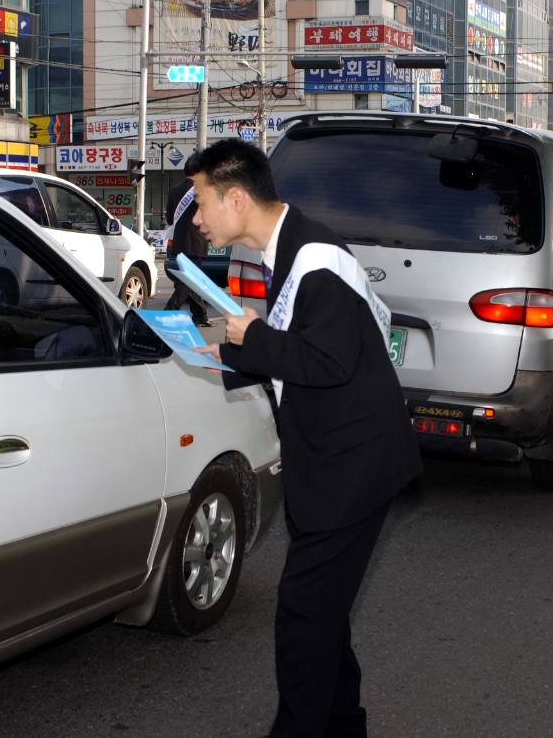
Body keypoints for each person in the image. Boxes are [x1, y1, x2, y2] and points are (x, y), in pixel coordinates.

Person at [188, 139, 422, 738]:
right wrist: (224, 356)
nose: (196, 218)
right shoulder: (289, 250)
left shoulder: (314, 260)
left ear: (236, 199)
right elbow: (304, 352)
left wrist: (253, 336)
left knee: (302, 621)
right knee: (322, 618)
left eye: (201, 202)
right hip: (335, 464)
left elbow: (330, 359)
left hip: (352, 469)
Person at [164, 157, 211, 326]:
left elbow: (170, 219)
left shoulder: (174, 191)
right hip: (196, 243)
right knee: (187, 282)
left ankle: (200, 316)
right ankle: (167, 314)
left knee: (192, 281)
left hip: (179, 244)